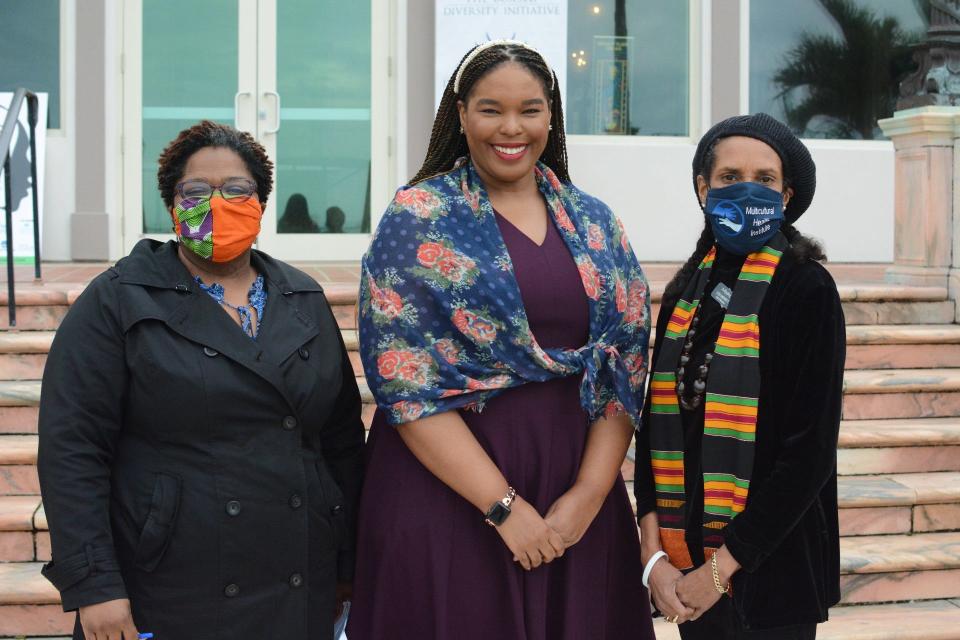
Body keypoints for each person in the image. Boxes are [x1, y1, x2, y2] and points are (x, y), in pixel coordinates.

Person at [349, 40, 655, 639]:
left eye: (530, 110)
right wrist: (504, 509)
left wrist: (588, 498)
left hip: (575, 498)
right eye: (491, 109)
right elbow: (404, 380)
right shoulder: (417, 216)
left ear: (551, 116)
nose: (511, 128)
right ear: (461, 115)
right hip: (451, 497)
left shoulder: (594, 221)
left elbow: (624, 364)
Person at [37, 120, 365, 640]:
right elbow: (72, 450)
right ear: (171, 204)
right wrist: (94, 586)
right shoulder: (119, 298)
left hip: (297, 578)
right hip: (170, 586)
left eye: (237, 189)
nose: (218, 203)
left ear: (261, 201)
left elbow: (342, 442)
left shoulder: (301, 298)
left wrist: (348, 564)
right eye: (196, 191)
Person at [634, 113, 845, 639]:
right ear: (704, 189)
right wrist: (653, 555)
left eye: (764, 179)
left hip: (769, 573)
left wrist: (720, 570)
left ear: (787, 194)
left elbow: (809, 453)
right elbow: (657, 420)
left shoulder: (806, 290)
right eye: (729, 177)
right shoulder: (687, 288)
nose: (746, 189)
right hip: (683, 567)